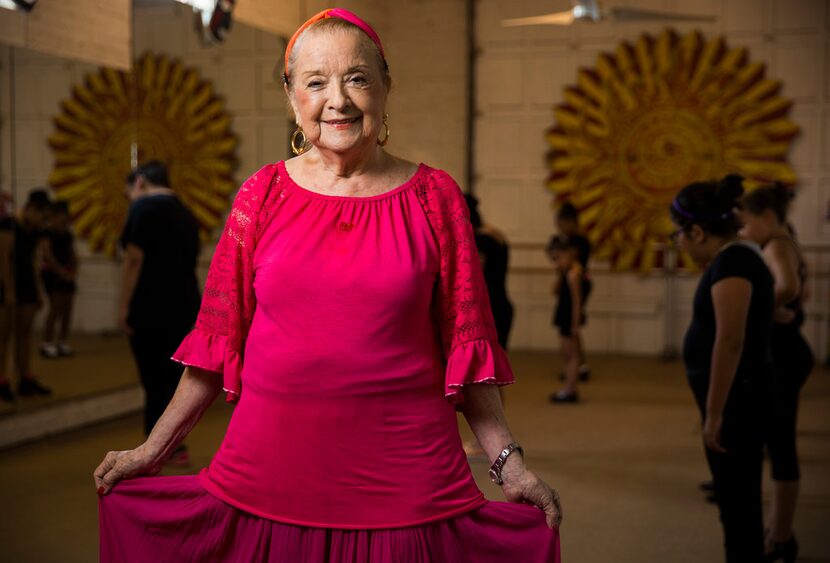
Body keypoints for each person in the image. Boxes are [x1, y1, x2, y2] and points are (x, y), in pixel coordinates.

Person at [95, 9, 561, 562]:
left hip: (407, 476)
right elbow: (215, 347)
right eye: (315, 82)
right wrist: (153, 449)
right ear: (292, 95)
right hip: (269, 469)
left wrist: (511, 464)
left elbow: (468, 349)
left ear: (386, 87)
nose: (337, 100)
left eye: (357, 78)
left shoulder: (435, 197)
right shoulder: (259, 195)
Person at [671, 175, 775, 563]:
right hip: (741, 394)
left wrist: (714, 414)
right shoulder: (736, 258)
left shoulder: (734, 260)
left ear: (696, 231)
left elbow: (730, 340)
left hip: (739, 400)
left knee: (738, 502)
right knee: (734, 498)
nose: (678, 243)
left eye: (678, 235)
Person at [737, 184, 813, 563]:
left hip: (784, 356)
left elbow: (789, 286)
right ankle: (776, 528)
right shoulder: (785, 243)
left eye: (747, 225)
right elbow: (803, 292)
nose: (743, 233)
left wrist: (762, 309)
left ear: (767, 217)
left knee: (781, 444)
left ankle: (780, 536)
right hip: (787, 351)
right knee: (776, 440)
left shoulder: (776, 245)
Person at [119, 160, 200, 465]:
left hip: (148, 305)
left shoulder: (142, 210)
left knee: (153, 381)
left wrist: (124, 305)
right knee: (170, 378)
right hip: (184, 304)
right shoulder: (186, 212)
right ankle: (176, 445)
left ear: (139, 182)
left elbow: (133, 261)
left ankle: (156, 448)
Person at [0, 190, 53, 401]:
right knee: (3, 336)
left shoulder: (34, 231)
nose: (43, 222)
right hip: (7, 286)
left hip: (27, 285)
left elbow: (33, 261)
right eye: (42, 216)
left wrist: (38, 290)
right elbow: (3, 260)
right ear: (31, 209)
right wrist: (9, 291)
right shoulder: (9, 225)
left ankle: (25, 377)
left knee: (25, 335)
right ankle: (2, 379)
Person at [547, 202, 591, 382]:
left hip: (577, 281)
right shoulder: (564, 241)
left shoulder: (579, 242)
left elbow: (570, 265)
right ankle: (576, 365)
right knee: (570, 328)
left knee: (572, 324)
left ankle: (577, 366)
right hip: (571, 280)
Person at [465, 194, 514, 350]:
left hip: (488, 307)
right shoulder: (495, 234)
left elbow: (475, 275)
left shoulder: (479, 240)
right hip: (501, 303)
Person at [39, 201, 78, 359]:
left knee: (68, 307)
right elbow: (47, 255)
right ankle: (47, 342)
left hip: (66, 274)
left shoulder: (67, 234)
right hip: (52, 274)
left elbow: (72, 254)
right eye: (62, 216)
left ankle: (62, 341)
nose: (65, 220)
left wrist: (73, 272)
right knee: (55, 307)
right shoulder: (46, 233)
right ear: (55, 216)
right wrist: (60, 272)